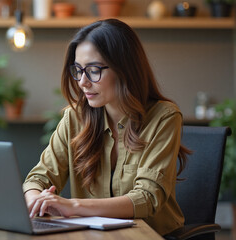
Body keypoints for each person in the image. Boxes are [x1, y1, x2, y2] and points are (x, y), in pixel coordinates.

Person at [22, 19, 190, 236]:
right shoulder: (74, 118)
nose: (82, 82)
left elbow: (147, 198)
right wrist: (36, 199)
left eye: (93, 70)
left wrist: (72, 206)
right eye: (78, 70)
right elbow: (38, 178)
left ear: (124, 69)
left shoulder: (164, 116)